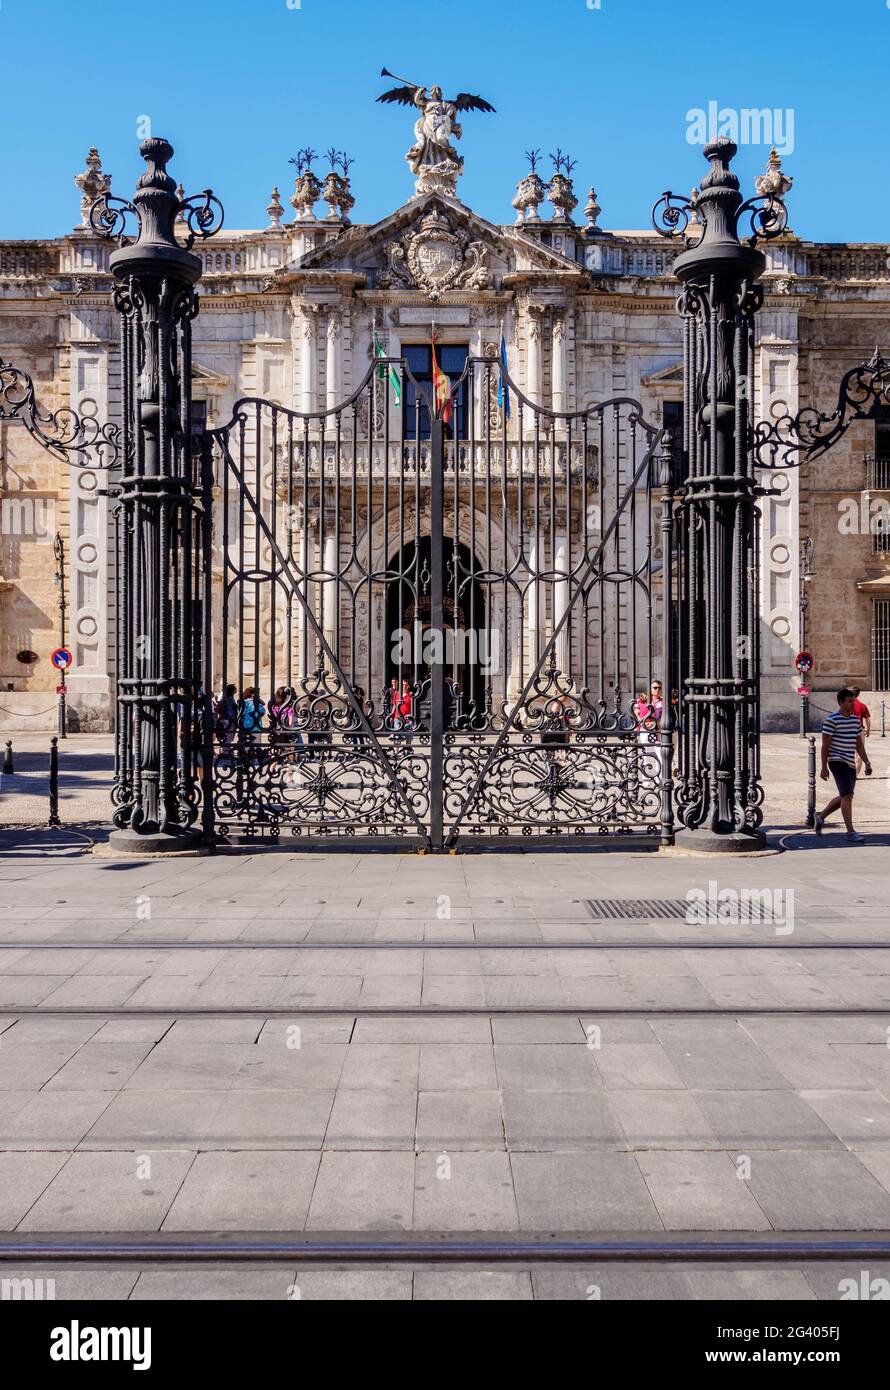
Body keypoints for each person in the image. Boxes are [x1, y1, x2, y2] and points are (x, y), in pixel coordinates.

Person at [814, 687, 872, 842]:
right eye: (850, 701)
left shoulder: (854, 720)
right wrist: (824, 767)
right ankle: (850, 832)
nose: (853, 703)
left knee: (846, 795)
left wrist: (866, 762)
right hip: (836, 761)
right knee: (847, 795)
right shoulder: (831, 720)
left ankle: (820, 816)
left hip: (850, 763)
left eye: (853, 700)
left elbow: (858, 744)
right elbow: (825, 746)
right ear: (841, 702)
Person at [851, 687, 872, 774]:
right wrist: (868, 730)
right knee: (859, 753)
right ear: (858, 694)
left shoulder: (847, 705)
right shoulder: (862, 706)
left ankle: (847, 772)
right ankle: (855, 773)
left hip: (848, 731)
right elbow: (867, 720)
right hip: (859, 731)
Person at [214, 683, 239, 749]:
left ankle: (225, 749)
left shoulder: (225, 698)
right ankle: (226, 751)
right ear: (232, 690)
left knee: (226, 735)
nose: (236, 690)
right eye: (235, 688)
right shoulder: (230, 699)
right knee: (229, 735)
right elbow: (231, 709)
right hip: (229, 719)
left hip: (224, 718)